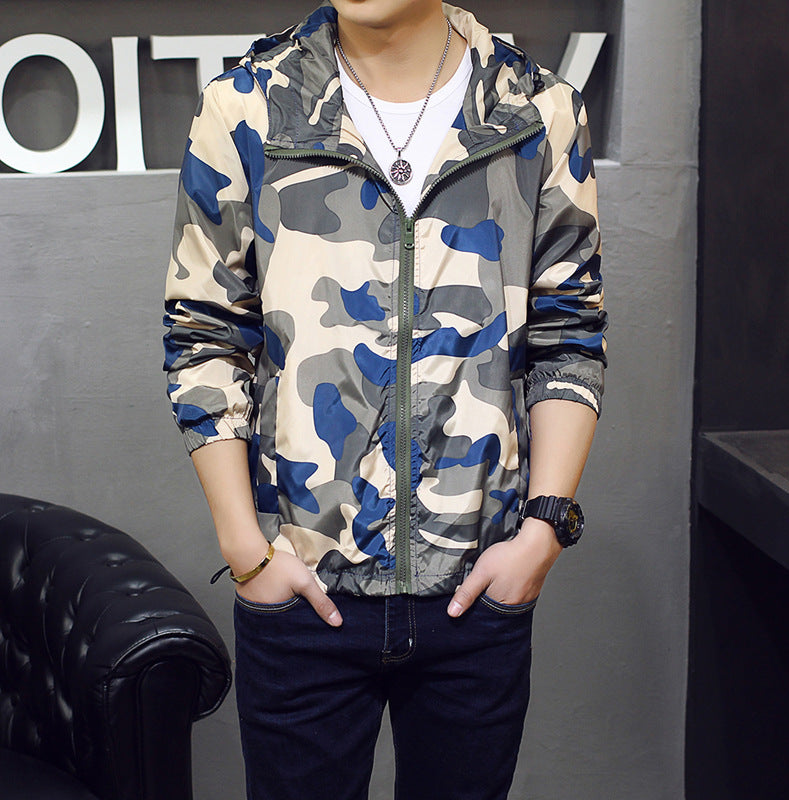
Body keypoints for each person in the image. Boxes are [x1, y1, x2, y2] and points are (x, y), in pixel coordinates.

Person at [163, 1, 606, 798]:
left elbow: (568, 335)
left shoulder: (536, 111)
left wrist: (543, 530)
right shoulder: (249, 105)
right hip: (300, 588)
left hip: (477, 591)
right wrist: (246, 550)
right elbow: (204, 334)